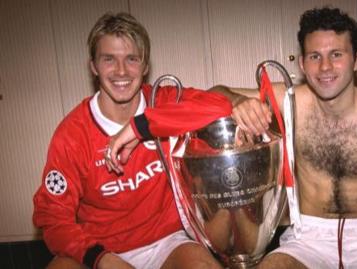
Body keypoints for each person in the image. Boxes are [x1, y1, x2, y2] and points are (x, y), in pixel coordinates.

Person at [209, 7, 357, 269]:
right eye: (314, 56)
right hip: (309, 237)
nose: (325, 67)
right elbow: (213, 93)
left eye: (336, 54)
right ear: (302, 63)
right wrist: (238, 101)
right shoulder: (289, 103)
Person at [32, 12, 231, 269]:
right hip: (99, 248)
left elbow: (221, 106)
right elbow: (52, 217)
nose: (121, 71)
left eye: (132, 59)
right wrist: (100, 258)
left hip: (166, 243)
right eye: (108, 59)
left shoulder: (163, 101)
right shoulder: (72, 134)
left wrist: (143, 126)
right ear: (93, 66)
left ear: (146, 65)